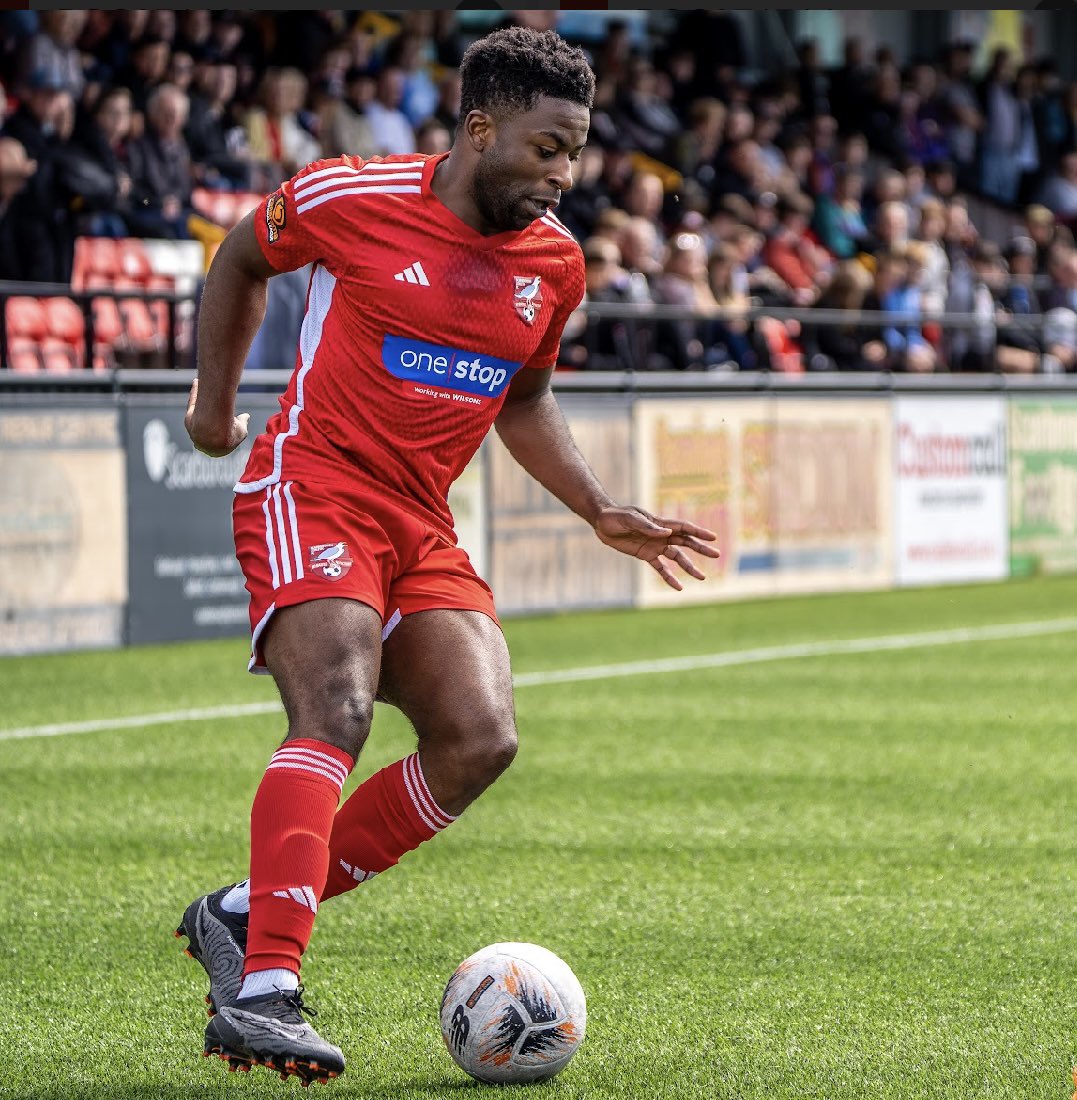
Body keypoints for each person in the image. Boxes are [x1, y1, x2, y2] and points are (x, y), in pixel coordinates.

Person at [178, 26, 719, 1086]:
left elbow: (524, 397)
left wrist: (598, 505)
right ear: (481, 128)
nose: (565, 177)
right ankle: (265, 990)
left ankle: (239, 913)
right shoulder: (351, 193)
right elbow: (243, 255)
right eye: (548, 149)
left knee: (480, 738)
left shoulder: (554, 263)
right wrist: (211, 407)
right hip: (311, 480)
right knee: (333, 707)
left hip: (420, 519)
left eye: (577, 152)